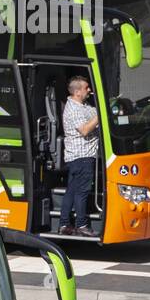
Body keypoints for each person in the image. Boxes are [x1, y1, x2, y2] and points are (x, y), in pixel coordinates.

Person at [59, 74, 100, 237]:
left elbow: (94, 112)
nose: (89, 90)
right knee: (82, 191)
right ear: (77, 92)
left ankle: (64, 224)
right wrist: (100, 115)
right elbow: (84, 130)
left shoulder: (83, 106)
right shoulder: (74, 109)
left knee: (71, 190)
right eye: (86, 88)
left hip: (79, 157)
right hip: (82, 156)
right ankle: (82, 225)